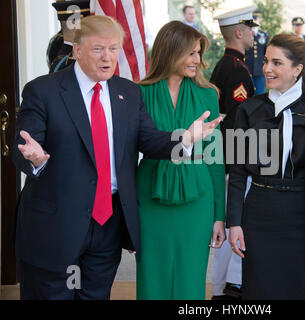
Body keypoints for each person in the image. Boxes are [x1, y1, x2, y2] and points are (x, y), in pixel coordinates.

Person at [10, 15, 222, 300]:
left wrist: (185, 138)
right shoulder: (43, 90)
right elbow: (23, 148)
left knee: (95, 295)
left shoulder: (128, 92)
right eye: (98, 49)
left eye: (113, 49)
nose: (107, 57)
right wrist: (36, 160)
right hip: (57, 225)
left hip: (105, 224)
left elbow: (149, 140)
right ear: (77, 50)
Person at [227, 34, 305, 299]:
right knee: (259, 290)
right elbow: (237, 171)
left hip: (302, 214)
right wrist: (234, 222)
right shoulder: (248, 109)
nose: (267, 69)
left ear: (298, 69)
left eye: (277, 62)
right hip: (259, 213)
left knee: (298, 288)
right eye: (265, 61)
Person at [135, 21, 226, 300]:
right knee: (152, 273)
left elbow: (215, 157)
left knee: (191, 274)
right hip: (150, 194)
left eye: (198, 53)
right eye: (190, 53)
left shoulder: (207, 94)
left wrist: (219, 215)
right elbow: (125, 154)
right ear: (169, 51)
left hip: (197, 195)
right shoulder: (138, 92)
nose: (197, 60)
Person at [209, 5, 257, 299]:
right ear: (239, 32)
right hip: (231, 163)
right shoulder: (236, 69)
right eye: (250, 28)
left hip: (224, 158)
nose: (254, 33)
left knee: (227, 231)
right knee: (231, 230)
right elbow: (240, 122)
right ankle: (226, 292)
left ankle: (224, 288)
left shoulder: (226, 64)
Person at [48, 0, 90, 73]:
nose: (93, 27)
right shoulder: (68, 63)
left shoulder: (66, 59)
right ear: (74, 25)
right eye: (88, 22)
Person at [245, 11, 268, 95]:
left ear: (259, 20)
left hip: (260, 70)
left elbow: (267, 53)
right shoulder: (245, 34)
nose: (254, 21)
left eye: (256, 19)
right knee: (247, 94)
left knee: (260, 94)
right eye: (252, 19)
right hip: (247, 69)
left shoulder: (264, 35)